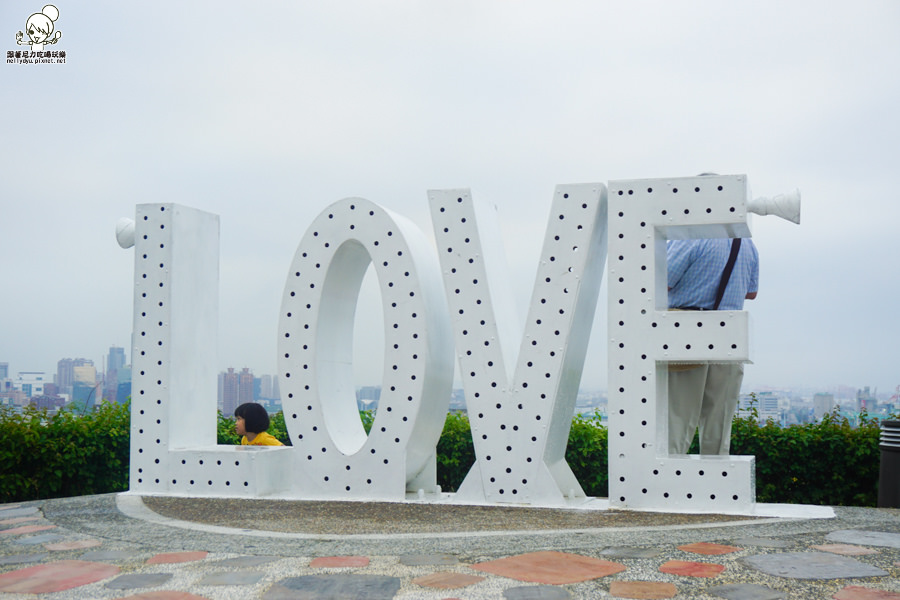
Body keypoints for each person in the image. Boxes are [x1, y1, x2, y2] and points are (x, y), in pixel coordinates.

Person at [667, 234, 758, 455]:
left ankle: (670, 486)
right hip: (730, 338)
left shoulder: (691, 237)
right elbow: (752, 293)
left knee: (677, 425)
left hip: (688, 336)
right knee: (718, 428)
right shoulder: (747, 244)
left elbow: (661, 278)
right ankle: (716, 485)